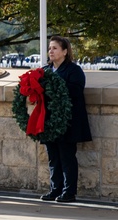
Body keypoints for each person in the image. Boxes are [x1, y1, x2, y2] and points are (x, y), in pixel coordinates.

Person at [40, 35, 92, 203]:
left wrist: (55, 86)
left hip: (68, 122)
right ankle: (55, 189)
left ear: (64, 51)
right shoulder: (45, 70)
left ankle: (69, 192)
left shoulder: (73, 70)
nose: (51, 51)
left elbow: (75, 92)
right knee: (53, 157)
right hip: (50, 121)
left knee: (67, 157)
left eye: (55, 48)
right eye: (50, 48)